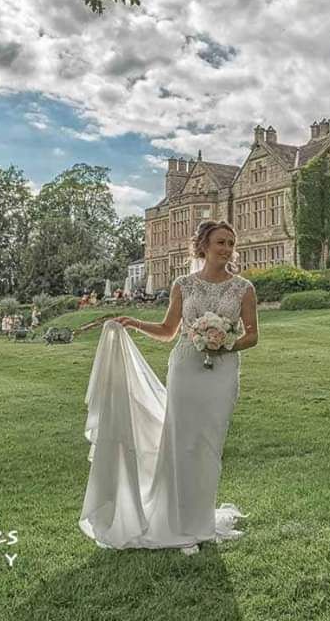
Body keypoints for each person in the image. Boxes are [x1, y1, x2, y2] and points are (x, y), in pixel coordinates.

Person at [80, 220, 259, 554]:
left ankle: (201, 522)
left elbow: (252, 335)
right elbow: (167, 330)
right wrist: (134, 323)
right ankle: (178, 525)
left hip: (222, 373)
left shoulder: (243, 288)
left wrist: (225, 344)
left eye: (231, 243)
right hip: (185, 369)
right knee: (181, 444)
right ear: (203, 246)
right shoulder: (183, 284)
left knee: (209, 446)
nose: (226, 249)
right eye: (220, 242)